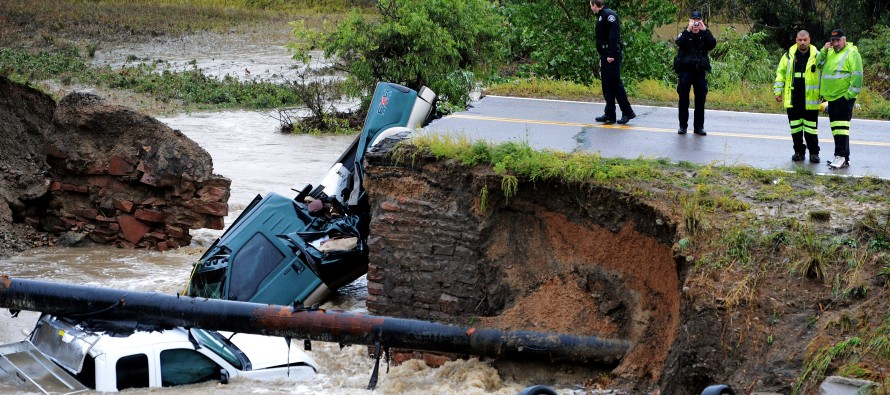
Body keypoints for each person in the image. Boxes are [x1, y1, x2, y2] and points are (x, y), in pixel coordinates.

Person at [816, 29, 863, 169]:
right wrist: (824, 50)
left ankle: (841, 156)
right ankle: (843, 158)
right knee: (836, 129)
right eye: (833, 41)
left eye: (838, 40)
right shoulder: (829, 52)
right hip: (832, 97)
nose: (835, 43)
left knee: (841, 129)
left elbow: (857, 76)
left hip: (843, 97)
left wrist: (848, 96)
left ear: (844, 39)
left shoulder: (852, 53)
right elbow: (818, 64)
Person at [774, 30, 821, 163]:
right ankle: (799, 152)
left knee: (811, 128)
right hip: (793, 97)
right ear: (796, 40)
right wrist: (778, 91)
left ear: (809, 40)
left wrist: (824, 94)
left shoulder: (817, 56)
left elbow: (823, 75)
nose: (802, 43)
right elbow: (780, 74)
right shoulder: (788, 56)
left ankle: (814, 153)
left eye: (805, 40)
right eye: (800, 40)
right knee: (795, 128)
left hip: (810, 98)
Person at [590, 0, 636, 125]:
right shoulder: (601, 16)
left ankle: (627, 112)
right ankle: (610, 114)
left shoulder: (609, 15)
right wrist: (603, 56)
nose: (591, 8)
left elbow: (613, 35)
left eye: (591, 5)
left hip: (612, 55)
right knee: (607, 84)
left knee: (615, 83)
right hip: (605, 54)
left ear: (594, 5)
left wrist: (611, 54)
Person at [673, 10, 716, 136]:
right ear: (690, 21)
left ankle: (699, 127)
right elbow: (678, 42)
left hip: (699, 72)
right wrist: (688, 29)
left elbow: (712, 44)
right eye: (694, 21)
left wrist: (705, 30)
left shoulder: (704, 35)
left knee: (700, 100)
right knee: (683, 99)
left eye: (698, 21)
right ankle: (682, 126)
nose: (696, 24)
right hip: (685, 72)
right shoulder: (685, 34)